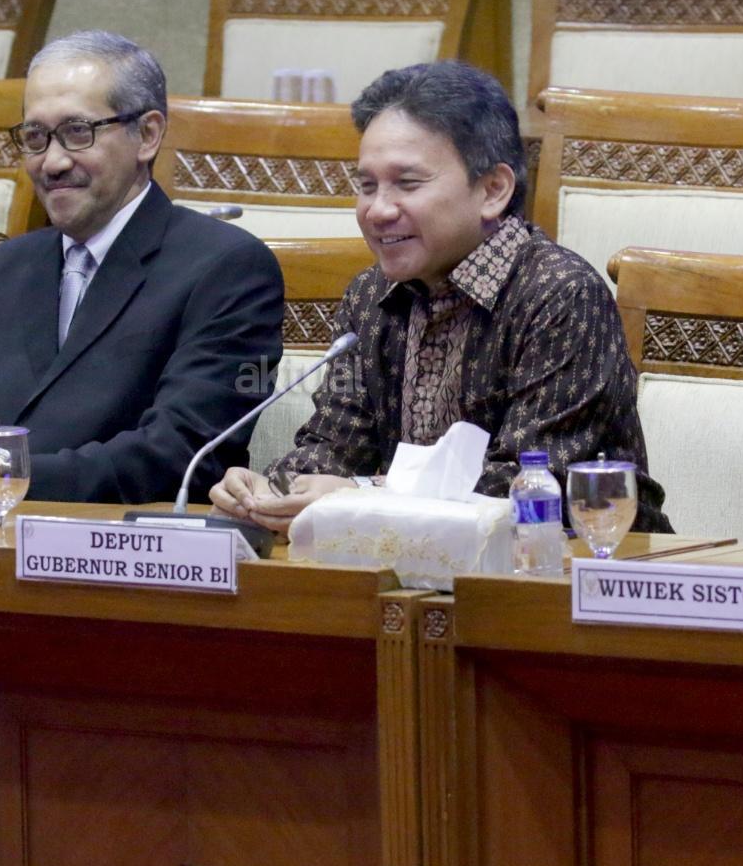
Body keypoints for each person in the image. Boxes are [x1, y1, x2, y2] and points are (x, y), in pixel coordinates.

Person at [210, 60, 669, 535]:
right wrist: (269, 490)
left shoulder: (560, 295)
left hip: (582, 564)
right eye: (367, 186)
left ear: (493, 190)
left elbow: (531, 484)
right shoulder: (370, 296)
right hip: (411, 564)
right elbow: (335, 447)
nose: (377, 210)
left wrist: (362, 495)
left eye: (407, 184)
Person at [0, 30, 284, 504]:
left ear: (147, 135)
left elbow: (182, 452)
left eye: (78, 132)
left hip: (129, 540)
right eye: (35, 137)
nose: (53, 161)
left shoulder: (228, 268)